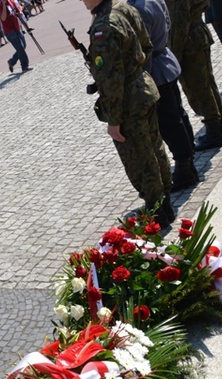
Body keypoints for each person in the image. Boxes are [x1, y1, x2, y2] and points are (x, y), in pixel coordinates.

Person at [84, 0, 175, 225]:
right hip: (143, 89)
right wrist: (137, 77)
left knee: (140, 159)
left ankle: (157, 211)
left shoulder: (103, 28)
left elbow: (110, 82)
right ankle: (165, 201)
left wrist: (114, 121)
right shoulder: (123, 7)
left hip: (128, 104)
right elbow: (147, 45)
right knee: (155, 147)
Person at [128, 0, 199, 190]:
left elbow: (145, 48)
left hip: (157, 70)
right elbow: (167, 22)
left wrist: (144, 80)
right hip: (166, 60)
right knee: (179, 116)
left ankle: (185, 169)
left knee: (170, 123)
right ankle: (188, 161)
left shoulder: (137, 9)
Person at [166, 0, 222, 150]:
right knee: (207, 84)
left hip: (189, 40)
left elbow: (179, 20)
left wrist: (175, 53)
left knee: (198, 89)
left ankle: (214, 132)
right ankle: (219, 128)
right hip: (195, 34)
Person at [0, 0, 33, 72]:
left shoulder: (11, 2)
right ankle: (24, 66)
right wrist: (4, 5)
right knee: (20, 48)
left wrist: (19, 12)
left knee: (23, 46)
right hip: (9, 31)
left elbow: (18, 11)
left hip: (17, 27)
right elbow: (3, 18)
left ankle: (12, 61)